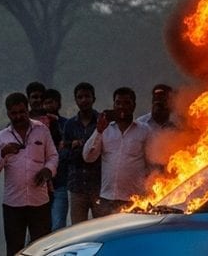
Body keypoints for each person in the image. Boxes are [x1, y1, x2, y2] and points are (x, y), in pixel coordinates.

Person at [0, 92, 56, 255]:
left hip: (39, 201)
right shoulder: (2, 136)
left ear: (27, 110)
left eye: (22, 112)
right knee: (15, 249)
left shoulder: (41, 130)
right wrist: (3, 153)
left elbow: (53, 156)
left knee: (42, 248)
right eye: (14, 113)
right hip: (13, 204)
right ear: (8, 113)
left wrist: (48, 169)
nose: (18, 116)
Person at [82, 87, 151, 216]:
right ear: (113, 105)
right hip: (107, 198)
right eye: (118, 103)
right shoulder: (105, 129)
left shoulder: (145, 130)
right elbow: (88, 157)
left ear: (134, 106)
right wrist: (98, 131)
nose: (122, 107)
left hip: (134, 200)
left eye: (126, 103)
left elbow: (151, 162)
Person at [60, 83, 100, 224]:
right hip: (76, 187)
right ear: (75, 100)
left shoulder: (102, 122)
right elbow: (63, 154)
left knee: (102, 228)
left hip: (98, 186)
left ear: (93, 98)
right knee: (78, 230)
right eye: (80, 97)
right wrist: (78, 150)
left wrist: (78, 148)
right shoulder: (70, 125)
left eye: (87, 96)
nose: (84, 100)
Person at [41, 89, 68, 231]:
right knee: (40, 227)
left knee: (58, 225)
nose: (48, 106)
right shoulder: (37, 126)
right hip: (41, 184)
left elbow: (67, 148)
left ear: (58, 104)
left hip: (60, 182)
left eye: (51, 102)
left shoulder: (65, 124)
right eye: (45, 103)